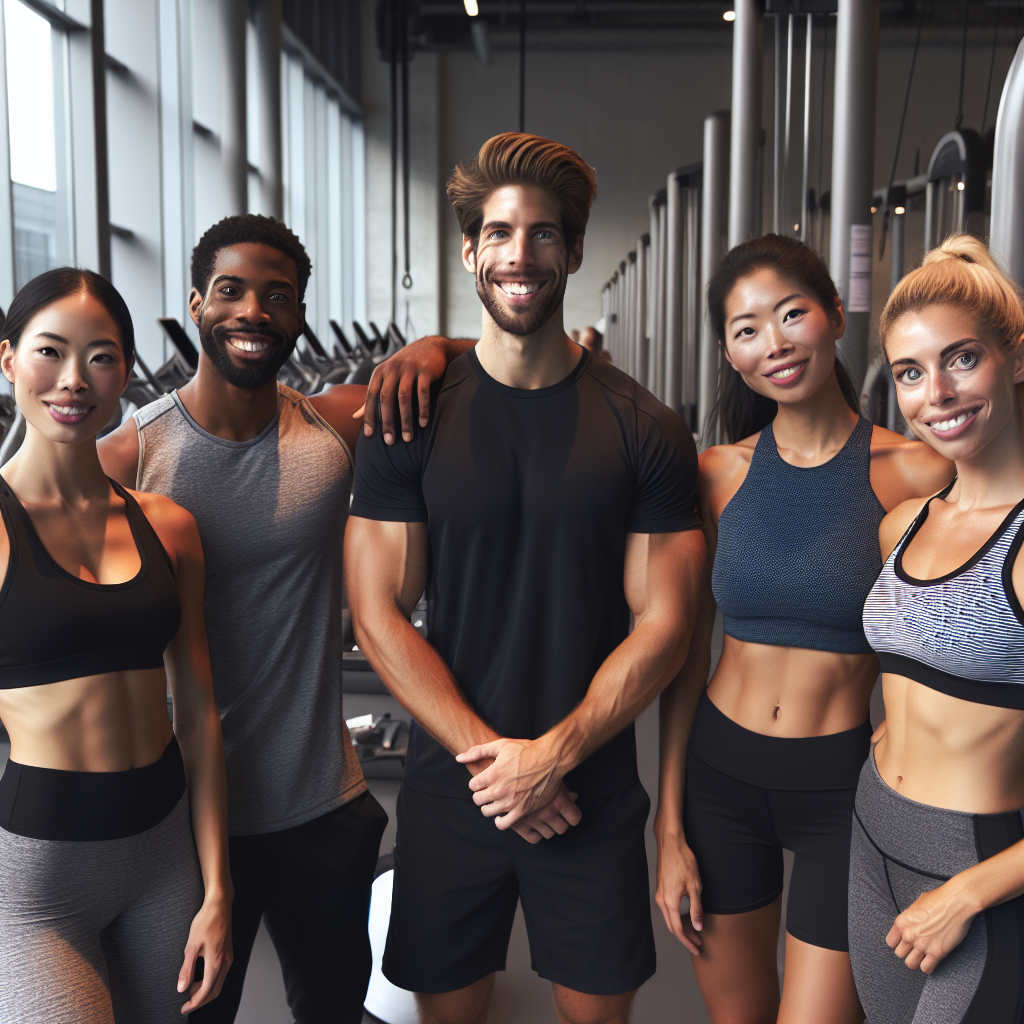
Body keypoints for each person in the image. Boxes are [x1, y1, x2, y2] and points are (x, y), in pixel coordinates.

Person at [345, 132, 706, 1024]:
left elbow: (665, 621)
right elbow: (377, 608)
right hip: (453, 785)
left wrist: (553, 758)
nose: (520, 253)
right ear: (470, 251)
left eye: (544, 234)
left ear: (574, 251)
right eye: (499, 233)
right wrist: (500, 768)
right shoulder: (410, 416)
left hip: (590, 792)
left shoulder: (645, 428)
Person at [99, 214, 465, 1024]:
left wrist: (432, 345)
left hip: (321, 810)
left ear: (300, 314)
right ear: (195, 303)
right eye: (230, 291)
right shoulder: (131, 456)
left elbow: (488, 365)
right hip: (185, 820)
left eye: (278, 297)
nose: (253, 311)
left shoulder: (332, 426)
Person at [654, 235, 953, 1024]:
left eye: (792, 315)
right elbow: (688, 659)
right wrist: (669, 825)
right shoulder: (718, 473)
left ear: (835, 318)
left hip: (842, 788)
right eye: (746, 328)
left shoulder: (916, 471)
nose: (774, 343)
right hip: (720, 778)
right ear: (728, 350)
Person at [0, 269, 231, 1022]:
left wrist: (218, 888)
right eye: (49, 352)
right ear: (8, 361)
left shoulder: (169, 525)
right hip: (41, 881)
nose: (74, 380)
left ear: (125, 373)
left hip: (164, 859)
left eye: (100, 357)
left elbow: (197, 716)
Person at [854, 235, 1024, 1023]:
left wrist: (968, 894)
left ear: (1015, 360)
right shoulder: (904, 523)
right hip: (872, 834)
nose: (938, 394)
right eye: (911, 374)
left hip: (978, 871)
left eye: (962, 360)